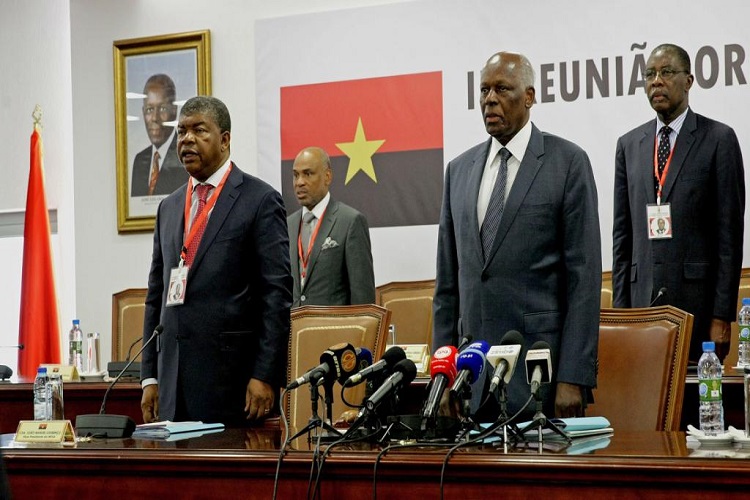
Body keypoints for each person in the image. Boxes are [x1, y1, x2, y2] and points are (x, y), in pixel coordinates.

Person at [433, 51, 602, 420]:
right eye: (484, 91)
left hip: (540, 378)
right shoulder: (458, 171)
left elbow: (584, 281)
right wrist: (442, 379)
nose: (490, 100)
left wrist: (573, 376)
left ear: (529, 97)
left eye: (502, 89)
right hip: (470, 381)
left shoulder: (568, 163)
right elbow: (447, 287)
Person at [140, 96, 292, 425]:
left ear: (224, 140)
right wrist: (150, 376)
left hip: (232, 385)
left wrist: (265, 374)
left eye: (199, 130)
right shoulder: (169, 207)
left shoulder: (260, 200)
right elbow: (156, 295)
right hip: (172, 386)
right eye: (181, 132)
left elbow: (276, 297)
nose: (187, 139)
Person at [613, 43, 745, 363]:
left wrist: (721, 316)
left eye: (667, 72)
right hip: (641, 308)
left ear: (688, 81)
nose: (656, 81)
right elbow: (622, 238)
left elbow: (729, 238)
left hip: (698, 309)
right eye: (649, 74)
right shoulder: (628, 145)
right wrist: (620, 316)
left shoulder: (719, 139)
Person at [287, 146, 375, 307]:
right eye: (295, 175)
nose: (299, 182)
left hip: (333, 323)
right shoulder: (287, 225)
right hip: (294, 323)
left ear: (327, 177)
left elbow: (363, 298)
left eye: (308, 174)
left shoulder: (350, 221)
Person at [131, 74, 189, 197]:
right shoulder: (140, 160)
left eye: (162, 109)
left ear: (174, 110)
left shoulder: (186, 158)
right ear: (143, 112)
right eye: (149, 110)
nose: (155, 118)